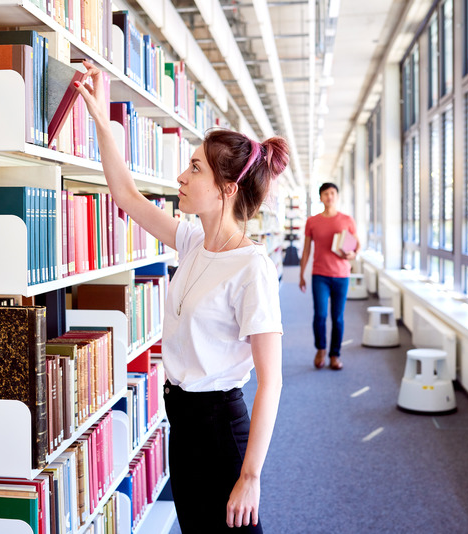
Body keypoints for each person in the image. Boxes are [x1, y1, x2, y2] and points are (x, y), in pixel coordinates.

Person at [74, 61, 286, 533]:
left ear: (227, 189)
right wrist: (99, 121)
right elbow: (127, 197)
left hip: (218, 425)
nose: (181, 176)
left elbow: (271, 381)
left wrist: (250, 476)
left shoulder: (252, 268)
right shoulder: (192, 241)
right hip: (181, 420)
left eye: (195, 168)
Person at [299, 183, 359, 371]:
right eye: (325, 193)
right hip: (320, 275)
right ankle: (321, 350)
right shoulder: (312, 221)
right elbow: (307, 249)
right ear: (321, 197)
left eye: (332, 193)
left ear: (337, 196)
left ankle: (335, 354)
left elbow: (356, 246)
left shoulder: (347, 220)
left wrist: (352, 255)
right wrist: (302, 274)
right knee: (320, 315)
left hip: (341, 275)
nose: (329, 196)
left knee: (338, 317)